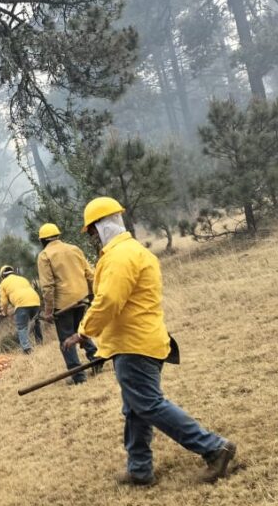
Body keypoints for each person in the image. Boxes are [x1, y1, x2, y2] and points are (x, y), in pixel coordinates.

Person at [63, 197, 237, 485]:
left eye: (92, 232)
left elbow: (108, 301)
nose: (92, 239)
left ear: (100, 227)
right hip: (144, 341)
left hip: (134, 346)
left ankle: (213, 447)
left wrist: (84, 331)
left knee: (149, 405)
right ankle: (140, 468)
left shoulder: (119, 257)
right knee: (135, 408)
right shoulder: (134, 252)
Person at [36, 222, 101, 384]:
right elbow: (90, 274)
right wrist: (93, 295)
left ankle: (78, 376)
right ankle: (95, 360)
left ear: (42, 241)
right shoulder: (74, 249)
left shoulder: (44, 256)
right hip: (81, 298)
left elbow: (48, 286)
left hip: (63, 304)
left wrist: (49, 311)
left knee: (66, 340)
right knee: (80, 331)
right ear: (58, 236)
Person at [0, 265, 43, 355]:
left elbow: (4, 302)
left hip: (21, 303)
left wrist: (4, 312)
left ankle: (27, 349)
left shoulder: (3, 284)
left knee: (22, 327)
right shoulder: (22, 278)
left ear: (2, 276)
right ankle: (40, 343)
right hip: (35, 300)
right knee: (36, 323)